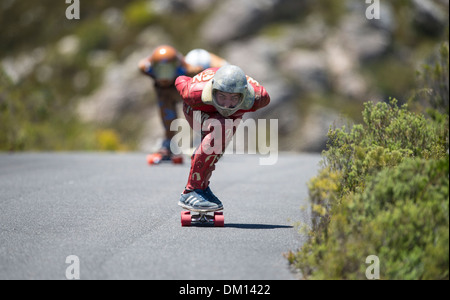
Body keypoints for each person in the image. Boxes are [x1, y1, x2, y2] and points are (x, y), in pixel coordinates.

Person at [175, 65, 270, 210]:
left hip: (229, 119)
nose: (226, 105)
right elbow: (180, 79)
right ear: (212, 91)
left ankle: (203, 187)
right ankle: (191, 191)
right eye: (222, 96)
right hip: (196, 109)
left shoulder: (258, 98)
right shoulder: (194, 92)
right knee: (220, 128)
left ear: (244, 95)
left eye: (234, 98)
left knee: (216, 149)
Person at [138, 45, 227, 163]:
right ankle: (169, 142)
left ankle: (207, 139)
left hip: (197, 88)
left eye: (168, 71)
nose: (164, 77)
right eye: (160, 71)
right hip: (172, 93)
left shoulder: (190, 70)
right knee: (164, 96)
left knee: (203, 102)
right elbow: (142, 64)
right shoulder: (147, 68)